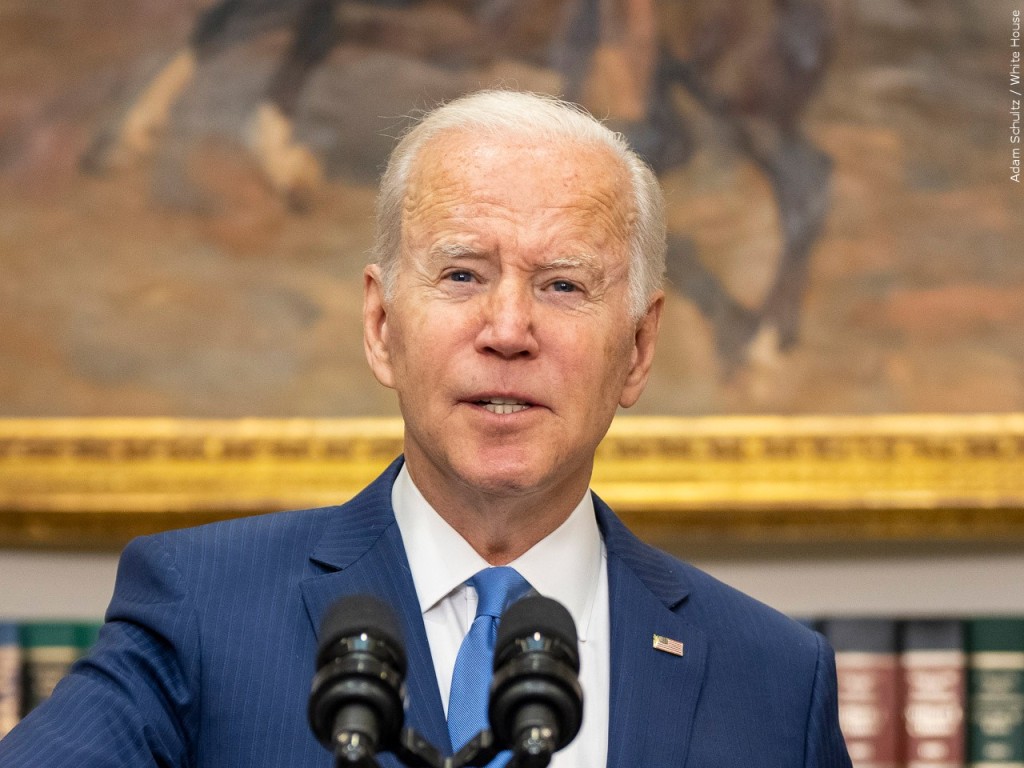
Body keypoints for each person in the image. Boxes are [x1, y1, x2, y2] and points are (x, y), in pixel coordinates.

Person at [0, 90, 851, 768]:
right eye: (461, 273)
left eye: (562, 285)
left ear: (637, 348)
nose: (509, 329)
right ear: (380, 326)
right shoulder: (203, 611)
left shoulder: (773, 676)